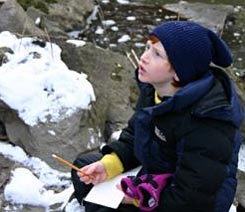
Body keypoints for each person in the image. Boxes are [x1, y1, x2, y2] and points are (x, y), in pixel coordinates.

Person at [71, 21, 244, 212]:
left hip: (191, 200)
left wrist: (136, 200)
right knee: (83, 168)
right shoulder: (155, 91)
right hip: (156, 175)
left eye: (157, 54)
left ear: (179, 72)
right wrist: (108, 166)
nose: (143, 58)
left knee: (107, 205)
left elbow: (191, 198)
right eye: (147, 48)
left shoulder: (208, 121)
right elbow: (135, 137)